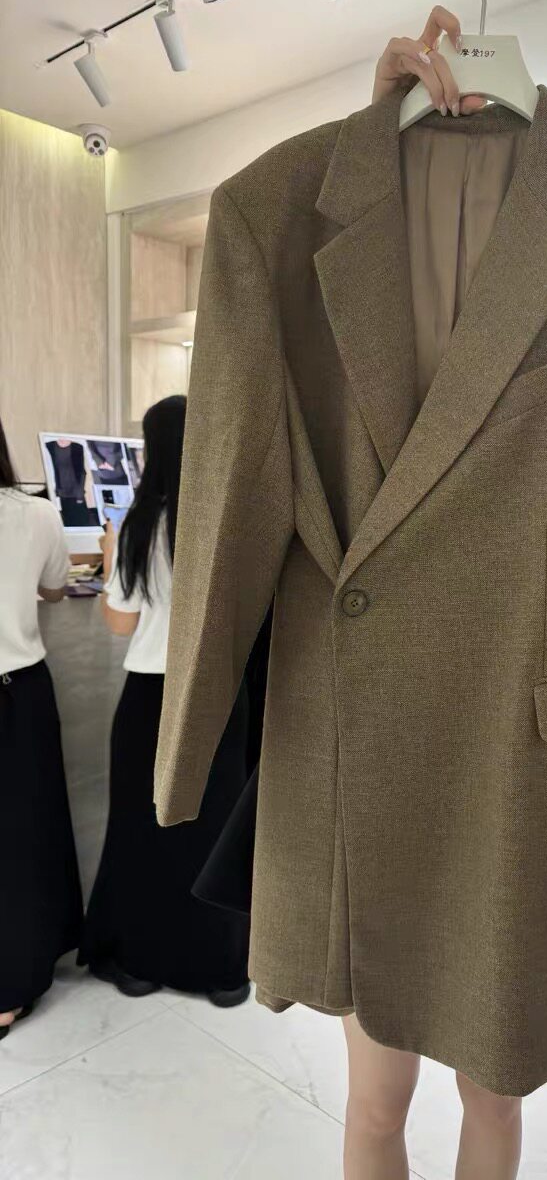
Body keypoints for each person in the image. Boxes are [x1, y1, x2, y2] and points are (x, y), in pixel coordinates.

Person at [337, 8, 524, 1180]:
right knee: (376, 1100)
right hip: (382, 733)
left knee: (490, 1091)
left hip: (515, 743)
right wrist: (375, 130)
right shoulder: (351, 239)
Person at [77, 395, 252, 1006]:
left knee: (143, 828)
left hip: (150, 697)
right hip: (220, 698)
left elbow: (120, 624)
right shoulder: (231, 519)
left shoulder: (139, 524)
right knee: (216, 830)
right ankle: (225, 972)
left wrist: (110, 562)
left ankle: (141, 963)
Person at [0, 414, 83, 1039]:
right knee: (22, 838)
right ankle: (12, 984)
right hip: (18, 692)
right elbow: (55, 589)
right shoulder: (36, 514)